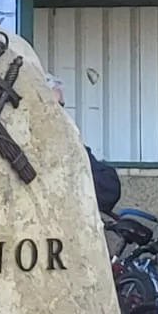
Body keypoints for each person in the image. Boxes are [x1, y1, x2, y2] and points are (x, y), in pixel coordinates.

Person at [44, 73, 122, 216]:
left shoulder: (67, 140)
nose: (60, 113)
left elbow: (107, 189)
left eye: (61, 106)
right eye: (54, 106)